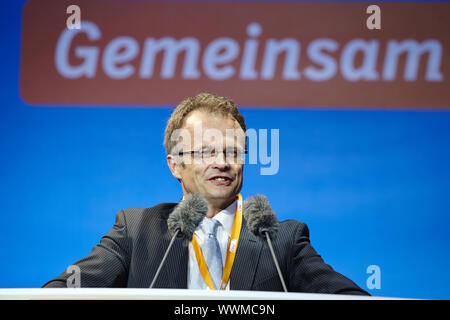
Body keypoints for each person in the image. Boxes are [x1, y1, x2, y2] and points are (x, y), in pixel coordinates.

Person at [43, 93, 369, 295]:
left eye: (233, 151)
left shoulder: (282, 239)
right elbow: (58, 294)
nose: (222, 163)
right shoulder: (136, 229)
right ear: (175, 164)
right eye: (206, 151)